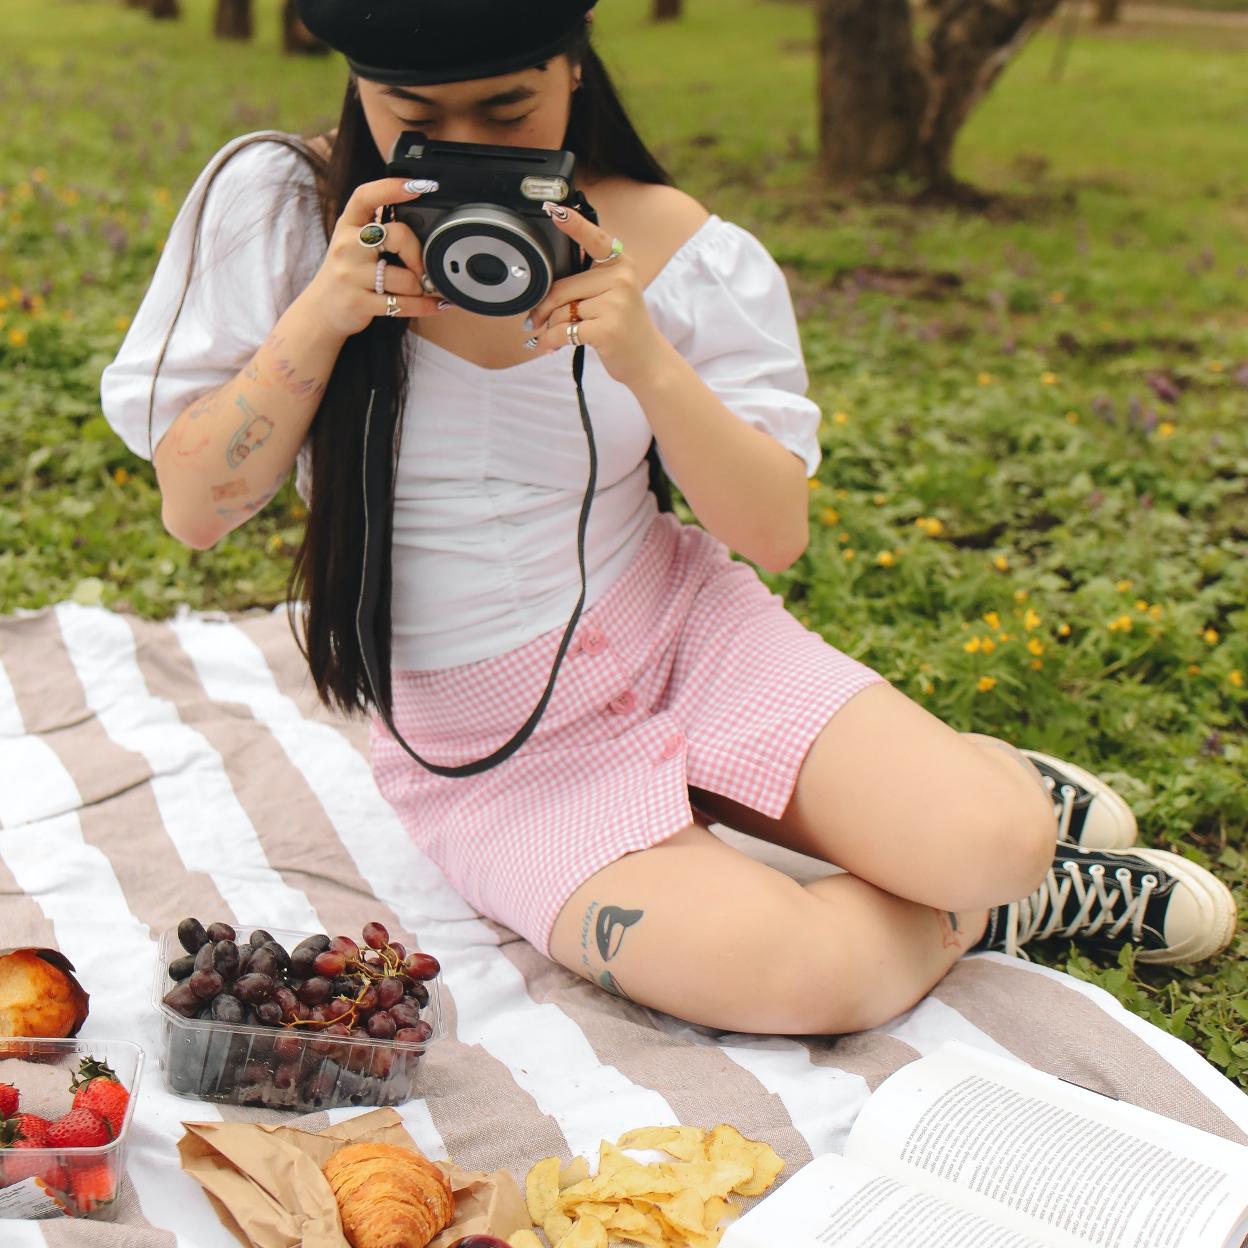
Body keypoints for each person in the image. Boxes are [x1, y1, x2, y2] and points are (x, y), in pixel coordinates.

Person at [100, 0, 1235, 1037]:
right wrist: (322, 316)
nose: (474, 148)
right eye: (415, 117)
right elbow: (197, 510)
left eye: (508, 107)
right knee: (794, 976)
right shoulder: (282, 209)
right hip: (485, 751)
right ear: (358, 86)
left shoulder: (672, 241)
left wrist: (643, 352)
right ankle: (978, 913)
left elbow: (774, 532)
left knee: (992, 842)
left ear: (575, 65)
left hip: (680, 629)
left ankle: (985, 827)